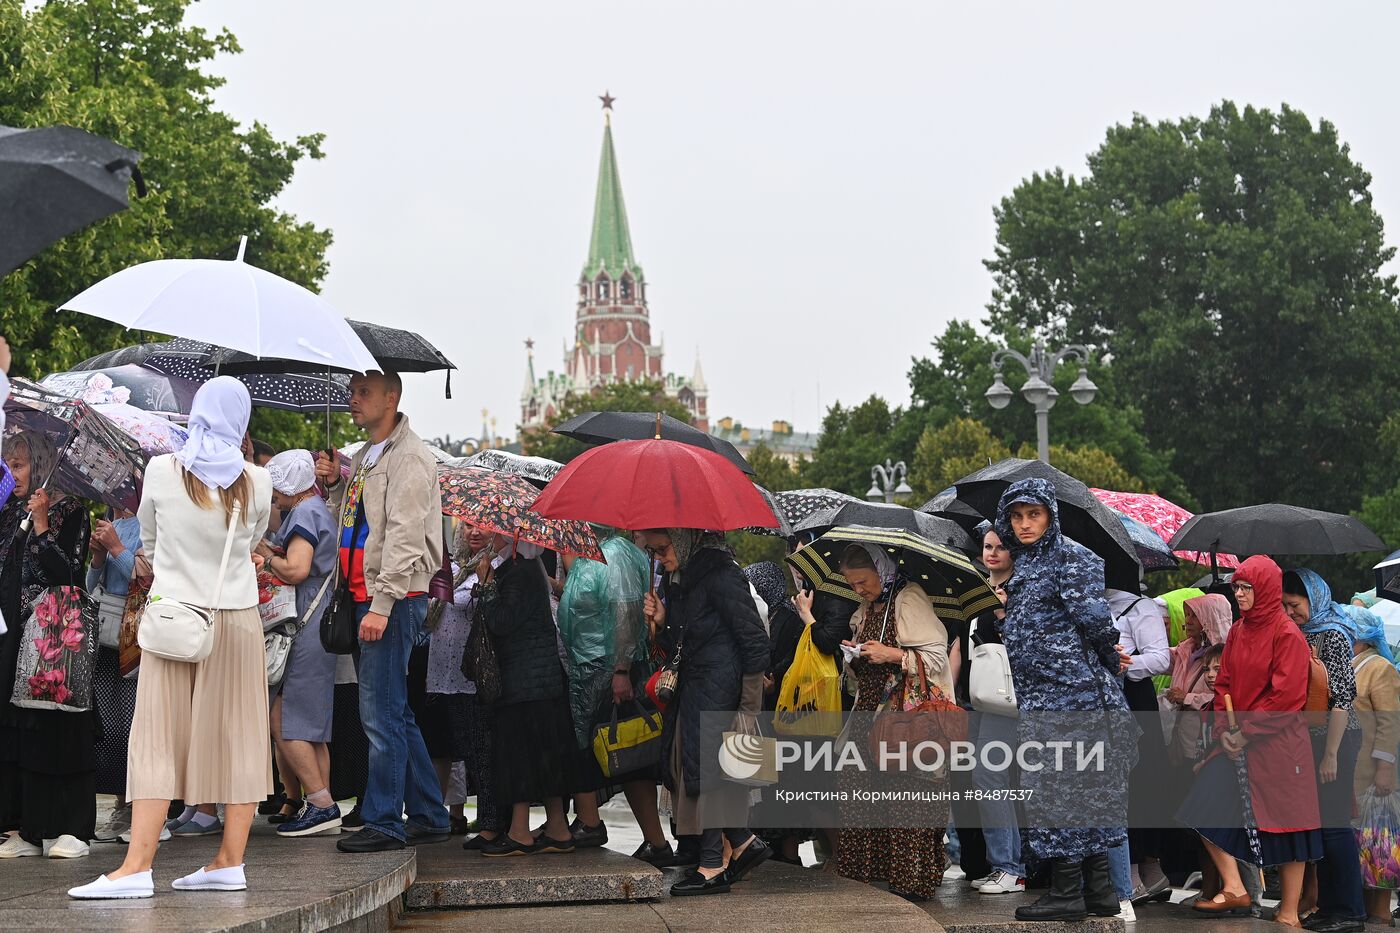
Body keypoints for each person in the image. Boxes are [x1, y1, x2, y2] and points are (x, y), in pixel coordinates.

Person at [69, 377, 273, 898]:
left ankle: (137, 867)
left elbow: (153, 547)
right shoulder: (259, 481)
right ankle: (230, 860)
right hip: (238, 617)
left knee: (156, 735)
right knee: (239, 735)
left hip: (177, 616)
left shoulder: (162, 470)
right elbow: (248, 542)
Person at [315, 371, 449, 854]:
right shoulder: (368, 455)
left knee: (381, 715)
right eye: (351, 391)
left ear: (392, 398)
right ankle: (431, 814)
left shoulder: (409, 456)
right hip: (367, 596)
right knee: (394, 713)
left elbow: (406, 537)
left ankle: (385, 819)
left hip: (389, 600)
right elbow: (353, 524)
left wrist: (384, 603)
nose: (353, 400)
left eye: (363, 392)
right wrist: (334, 487)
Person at [992, 478, 1128, 922]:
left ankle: (1069, 892)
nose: (1024, 524)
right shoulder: (1026, 563)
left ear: (1051, 515)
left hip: (1071, 697)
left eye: (1033, 514)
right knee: (1075, 790)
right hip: (1042, 696)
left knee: (1061, 791)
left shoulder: (1072, 556)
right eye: (1016, 516)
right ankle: (1100, 892)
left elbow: (1095, 620)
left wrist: (1110, 655)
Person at [1175, 556, 1321, 928]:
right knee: (1200, 803)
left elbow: (1286, 697)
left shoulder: (1287, 633)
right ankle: (1235, 885)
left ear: (1266, 590)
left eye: (1246, 588)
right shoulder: (1239, 631)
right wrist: (1226, 730)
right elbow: (1222, 683)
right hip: (1236, 739)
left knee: (1290, 825)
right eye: (1236, 587)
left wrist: (1246, 732)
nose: (1238, 594)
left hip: (1280, 745)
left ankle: (1289, 911)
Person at [812, 542, 952, 902]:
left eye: (862, 581)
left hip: (903, 720)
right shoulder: (868, 607)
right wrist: (855, 655)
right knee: (858, 794)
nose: (858, 590)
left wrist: (891, 654)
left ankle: (909, 882)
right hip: (867, 715)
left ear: (881, 569)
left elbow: (936, 657)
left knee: (905, 797)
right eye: (853, 584)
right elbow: (865, 668)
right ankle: (867, 879)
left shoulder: (909, 598)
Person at [642, 528, 770, 896]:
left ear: (683, 540)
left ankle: (714, 863)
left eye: (663, 549)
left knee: (709, 773)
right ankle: (741, 845)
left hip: (721, 688)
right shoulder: (683, 577)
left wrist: (748, 708)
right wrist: (663, 620)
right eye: (653, 551)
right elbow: (683, 641)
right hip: (697, 687)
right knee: (697, 771)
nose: (660, 558)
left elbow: (754, 642)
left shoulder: (722, 573)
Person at [0, 430, 95, 860]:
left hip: (54, 639)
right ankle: (31, 827)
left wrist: (41, 527)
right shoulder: (9, 512)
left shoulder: (72, 511)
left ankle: (72, 827)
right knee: (23, 730)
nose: (12, 474)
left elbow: (69, 575)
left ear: (39, 464)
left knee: (60, 724)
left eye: (18, 465)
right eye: (8, 465)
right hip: (14, 636)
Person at [558, 527, 671, 862]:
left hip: (609, 666)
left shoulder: (617, 551)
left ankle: (656, 842)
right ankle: (590, 820)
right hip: (590, 665)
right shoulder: (594, 551)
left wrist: (621, 668)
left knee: (627, 751)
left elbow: (625, 610)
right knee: (599, 747)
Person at [474, 537, 578, 857]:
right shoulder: (529, 567)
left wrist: (486, 586)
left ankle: (520, 832)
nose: (491, 538)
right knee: (543, 756)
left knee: (518, 755)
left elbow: (503, 621)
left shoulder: (517, 570)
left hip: (524, 679)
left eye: (497, 534)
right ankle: (558, 829)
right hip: (540, 679)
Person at [255, 450, 340, 837]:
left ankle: (321, 803)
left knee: (283, 719)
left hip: (305, 625)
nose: (274, 493)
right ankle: (322, 801)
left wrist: (267, 561)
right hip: (320, 625)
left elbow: (298, 569)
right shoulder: (318, 508)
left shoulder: (304, 514)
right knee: (311, 726)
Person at [1282, 569, 1367, 933]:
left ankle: (1349, 911)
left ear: (1314, 598)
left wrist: (1330, 753)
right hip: (1310, 737)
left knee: (1335, 827)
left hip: (1336, 737)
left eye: (1295, 605)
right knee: (1321, 827)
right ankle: (1330, 907)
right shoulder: (1303, 633)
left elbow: (1343, 698)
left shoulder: (1333, 633)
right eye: (1285, 605)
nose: (1290, 612)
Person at [958, 525, 1026, 897]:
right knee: (985, 781)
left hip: (1003, 701)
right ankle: (1007, 864)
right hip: (976, 698)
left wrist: (1003, 614)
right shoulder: (978, 588)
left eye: (1001, 547)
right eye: (987, 546)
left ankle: (1009, 867)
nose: (993, 553)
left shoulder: (1017, 591)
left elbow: (1026, 644)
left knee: (990, 779)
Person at [434, 524, 503, 850]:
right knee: (464, 751)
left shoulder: (495, 566)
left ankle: (492, 824)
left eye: (483, 527)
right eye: (468, 526)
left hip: (473, 677)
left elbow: (488, 611)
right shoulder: (461, 567)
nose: (474, 532)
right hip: (448, 677)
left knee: (482, 753)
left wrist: (485, 583)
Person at [1106, 584, 1172, 906]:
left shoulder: (1140, 607)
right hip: (1110, 697)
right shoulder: (1089, 603)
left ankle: (1139, 873)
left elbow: (1161, 658)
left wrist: (1126, 665)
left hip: (1134, 698)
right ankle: (1144, 873)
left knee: (1140, 781)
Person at [88, 508, 147, 843]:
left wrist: (115, 548)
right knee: (108, 725)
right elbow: (90, 585)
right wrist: (97, 558)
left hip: (134, 632)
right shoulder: (114, 522)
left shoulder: (149, 524)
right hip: (106, 632)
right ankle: (119, 803)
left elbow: (143, 577)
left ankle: (140, 808)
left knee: (132, 722)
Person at [745, 560, 808, 867]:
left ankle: (788, 852)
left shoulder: (791, 619)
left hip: (783, 709)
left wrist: (774, 677)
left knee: (786, 781)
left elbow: (796, 658)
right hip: (762, 706)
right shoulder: (762, 615)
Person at [1345, 603, 1400, 923]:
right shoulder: (1354, 665)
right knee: (1362, 845)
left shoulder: (1379, 667)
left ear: (1360, 636)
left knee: (1379, 844)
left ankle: (1380, 913)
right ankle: (1368, 909)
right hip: (1355, 772)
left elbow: (1389, 722)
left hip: (1374, 774)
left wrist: (1385, 767)